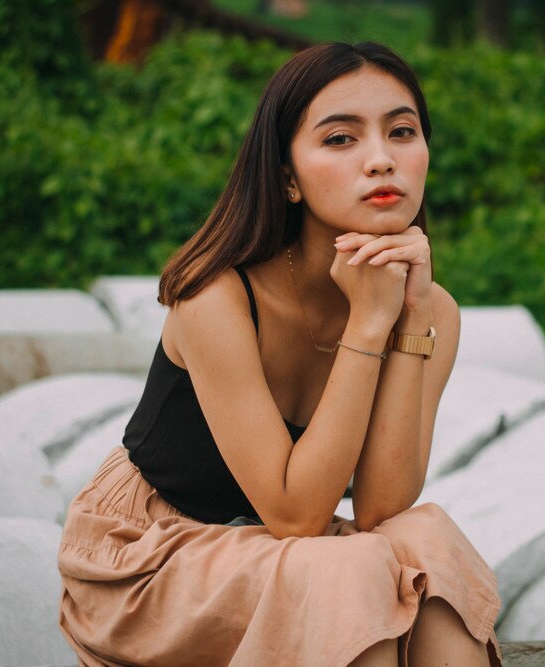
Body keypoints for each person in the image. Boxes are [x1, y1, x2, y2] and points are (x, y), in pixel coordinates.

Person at [57, 41, 502, 666]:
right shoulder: (217, 296)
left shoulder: (435, 312)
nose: (381, 160)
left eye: (402, 132)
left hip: (278, 553)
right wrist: (369, 325)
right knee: (344, 570)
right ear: (287, 177)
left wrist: (409, 316)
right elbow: (296, 515)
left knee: (425, 536)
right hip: (151, 556)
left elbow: (381, 507)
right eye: (341, 139)